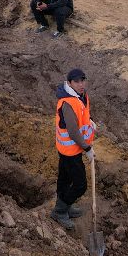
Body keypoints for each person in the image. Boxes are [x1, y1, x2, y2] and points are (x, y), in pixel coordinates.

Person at [51, 67, 96, 227]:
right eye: (77, 81)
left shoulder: (80, 96)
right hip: (70, 152)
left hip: (69, 149)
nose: (81, 84)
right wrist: (87, 148)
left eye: (82, 80)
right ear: (69, 83)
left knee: (64, 179)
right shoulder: (68, 103)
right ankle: (59, 211)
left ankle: (65, 206)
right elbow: (73, 131)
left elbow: (83, 116)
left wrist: (90, 122)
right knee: (80, 185)